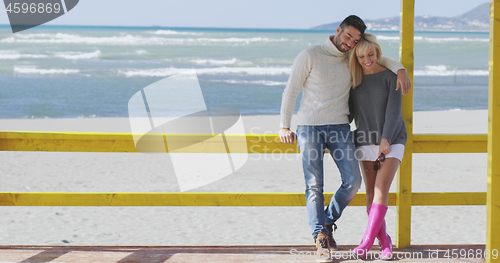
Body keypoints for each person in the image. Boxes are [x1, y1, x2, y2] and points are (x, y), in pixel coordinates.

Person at [279, 15, 411, 262]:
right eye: (348, 36)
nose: (350, 43)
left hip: (340, 127)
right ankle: (320, 237)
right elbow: (291, 90)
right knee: (314, 185)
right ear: (338, 30)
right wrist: (284, 126)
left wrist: (401, 69)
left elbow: (378, 59)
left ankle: (327, 221)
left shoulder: (352, 58)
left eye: (355, 40)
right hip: (309, 127)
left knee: (353, 183)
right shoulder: (310, 55)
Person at [348, 33, 407, 260]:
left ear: (377, 53)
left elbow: (394, 112)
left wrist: (386, 140)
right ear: (357, 57)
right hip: (364, 139)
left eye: (371, 54)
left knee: (382, 188)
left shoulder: (390, 77)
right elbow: (350, 113)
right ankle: (385, 244)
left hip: (392, 139)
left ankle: (365, 243)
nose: (367, 59)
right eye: (362, 56)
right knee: (370, 191)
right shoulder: (353, 80)